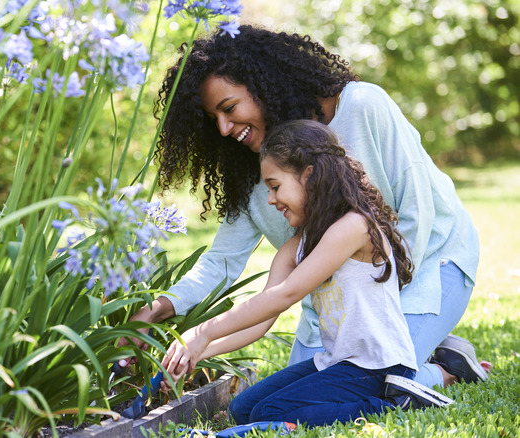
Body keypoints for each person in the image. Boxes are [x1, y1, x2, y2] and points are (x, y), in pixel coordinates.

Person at [122, 25, 487, 389]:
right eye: (212, 118)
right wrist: (159, 308)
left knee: (373, 383)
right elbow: (220, 262)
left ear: (263, 84)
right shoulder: (255, 175)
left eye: (229, 108)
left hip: (429, 267)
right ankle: (430, 351)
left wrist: (378, 318)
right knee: (297, 390)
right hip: (337, 305)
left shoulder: (361, 106)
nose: (222, 128)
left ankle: (443, 370)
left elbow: (417, 212)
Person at [162, 119, 453, 427]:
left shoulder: (355, 227)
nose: (271, 199)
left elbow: (286, 295)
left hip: (379, 368)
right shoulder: (296, 246)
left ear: (309, 177)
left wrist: (203, 332)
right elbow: (262, 317)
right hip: (337, 364)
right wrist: (198, 352)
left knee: (268, 414)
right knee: (242, 411)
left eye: (275, 186)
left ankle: (401, 403)